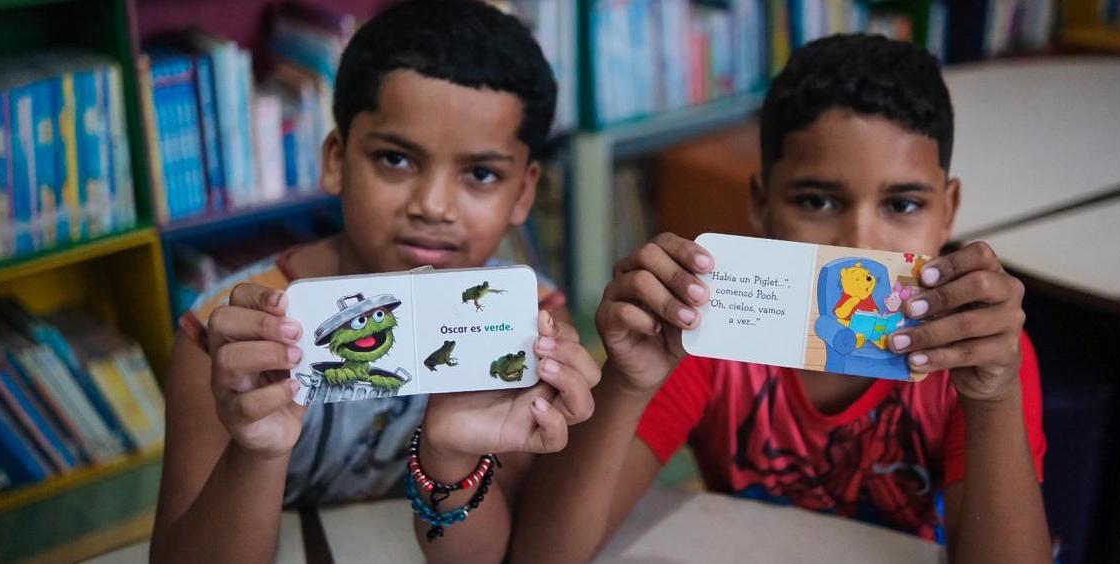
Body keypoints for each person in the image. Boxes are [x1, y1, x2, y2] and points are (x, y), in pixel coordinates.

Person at [509, 34, 1051, 563]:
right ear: (762, 205)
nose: (859, 243)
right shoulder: (706, 338)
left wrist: (994, 398)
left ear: (948, 211)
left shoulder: (974, 360)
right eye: (817, 200)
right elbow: (541, 555)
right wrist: (627, 384)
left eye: (903, 206)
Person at [149, 2, 599, 562]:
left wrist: (451, 454)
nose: (433, 206)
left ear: (524, 193)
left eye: (481, 174)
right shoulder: (227, 336)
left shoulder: (528, 325)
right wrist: (257, 452)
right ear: (336, 160)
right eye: (395, 159)